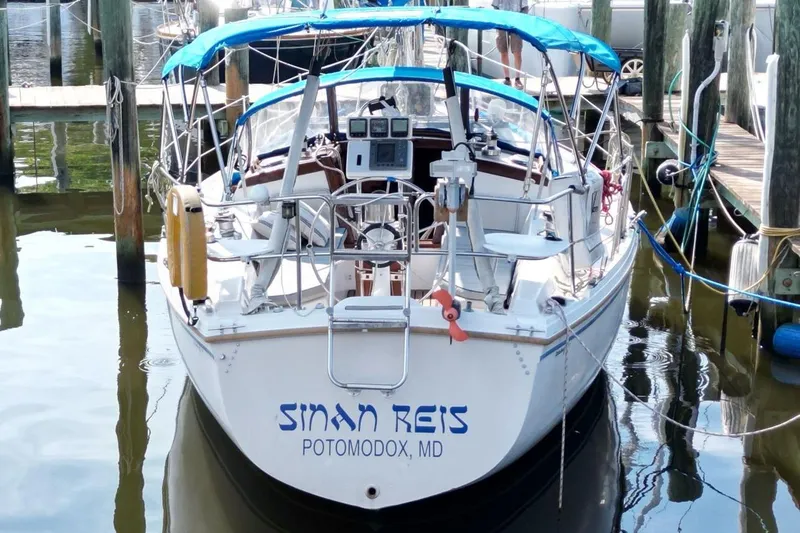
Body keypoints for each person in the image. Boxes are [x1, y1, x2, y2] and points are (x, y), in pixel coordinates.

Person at [492, 0, 528, 89]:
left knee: (517, 52)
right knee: (503, 51)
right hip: (502, 23)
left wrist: (520, 20)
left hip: (516, 24)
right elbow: (495, 6)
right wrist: (499, 19)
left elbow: (525, 7)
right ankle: (507, 78)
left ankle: (517, 78)